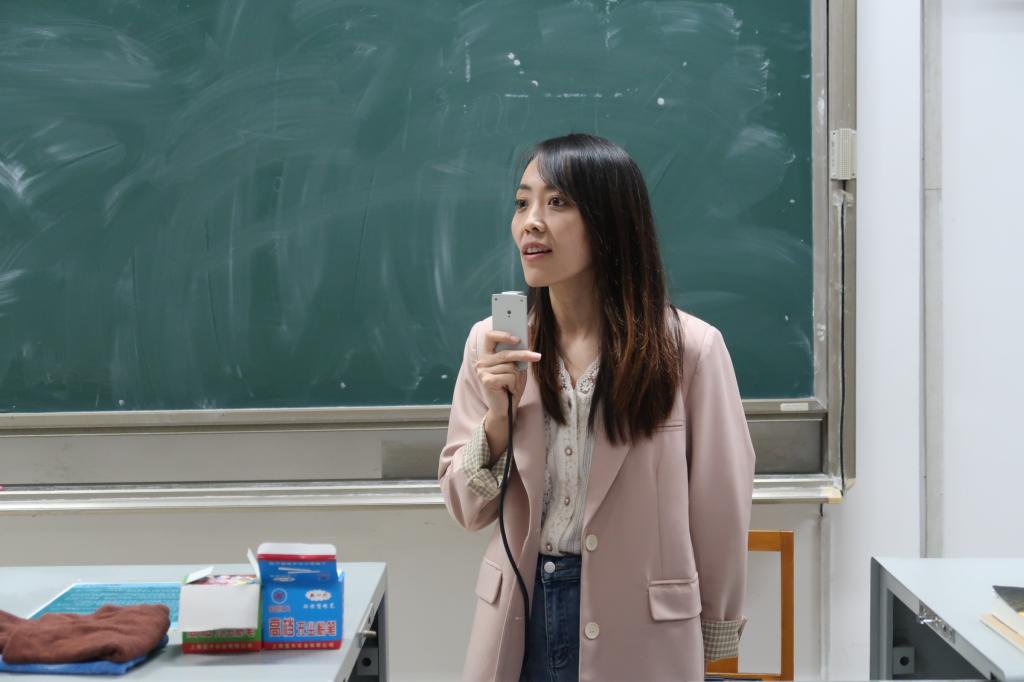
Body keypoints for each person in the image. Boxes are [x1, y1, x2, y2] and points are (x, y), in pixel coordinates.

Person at [438, 133, 755, 682]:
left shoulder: (689, 349)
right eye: (522, 203)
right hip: (521, 614)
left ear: (610, 219)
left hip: (642, 627)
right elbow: (466, 510)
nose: (531, 223)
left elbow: (720, 503)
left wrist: (716, 631)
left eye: (557, 202)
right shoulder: (495, 345)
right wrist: (496, 420)